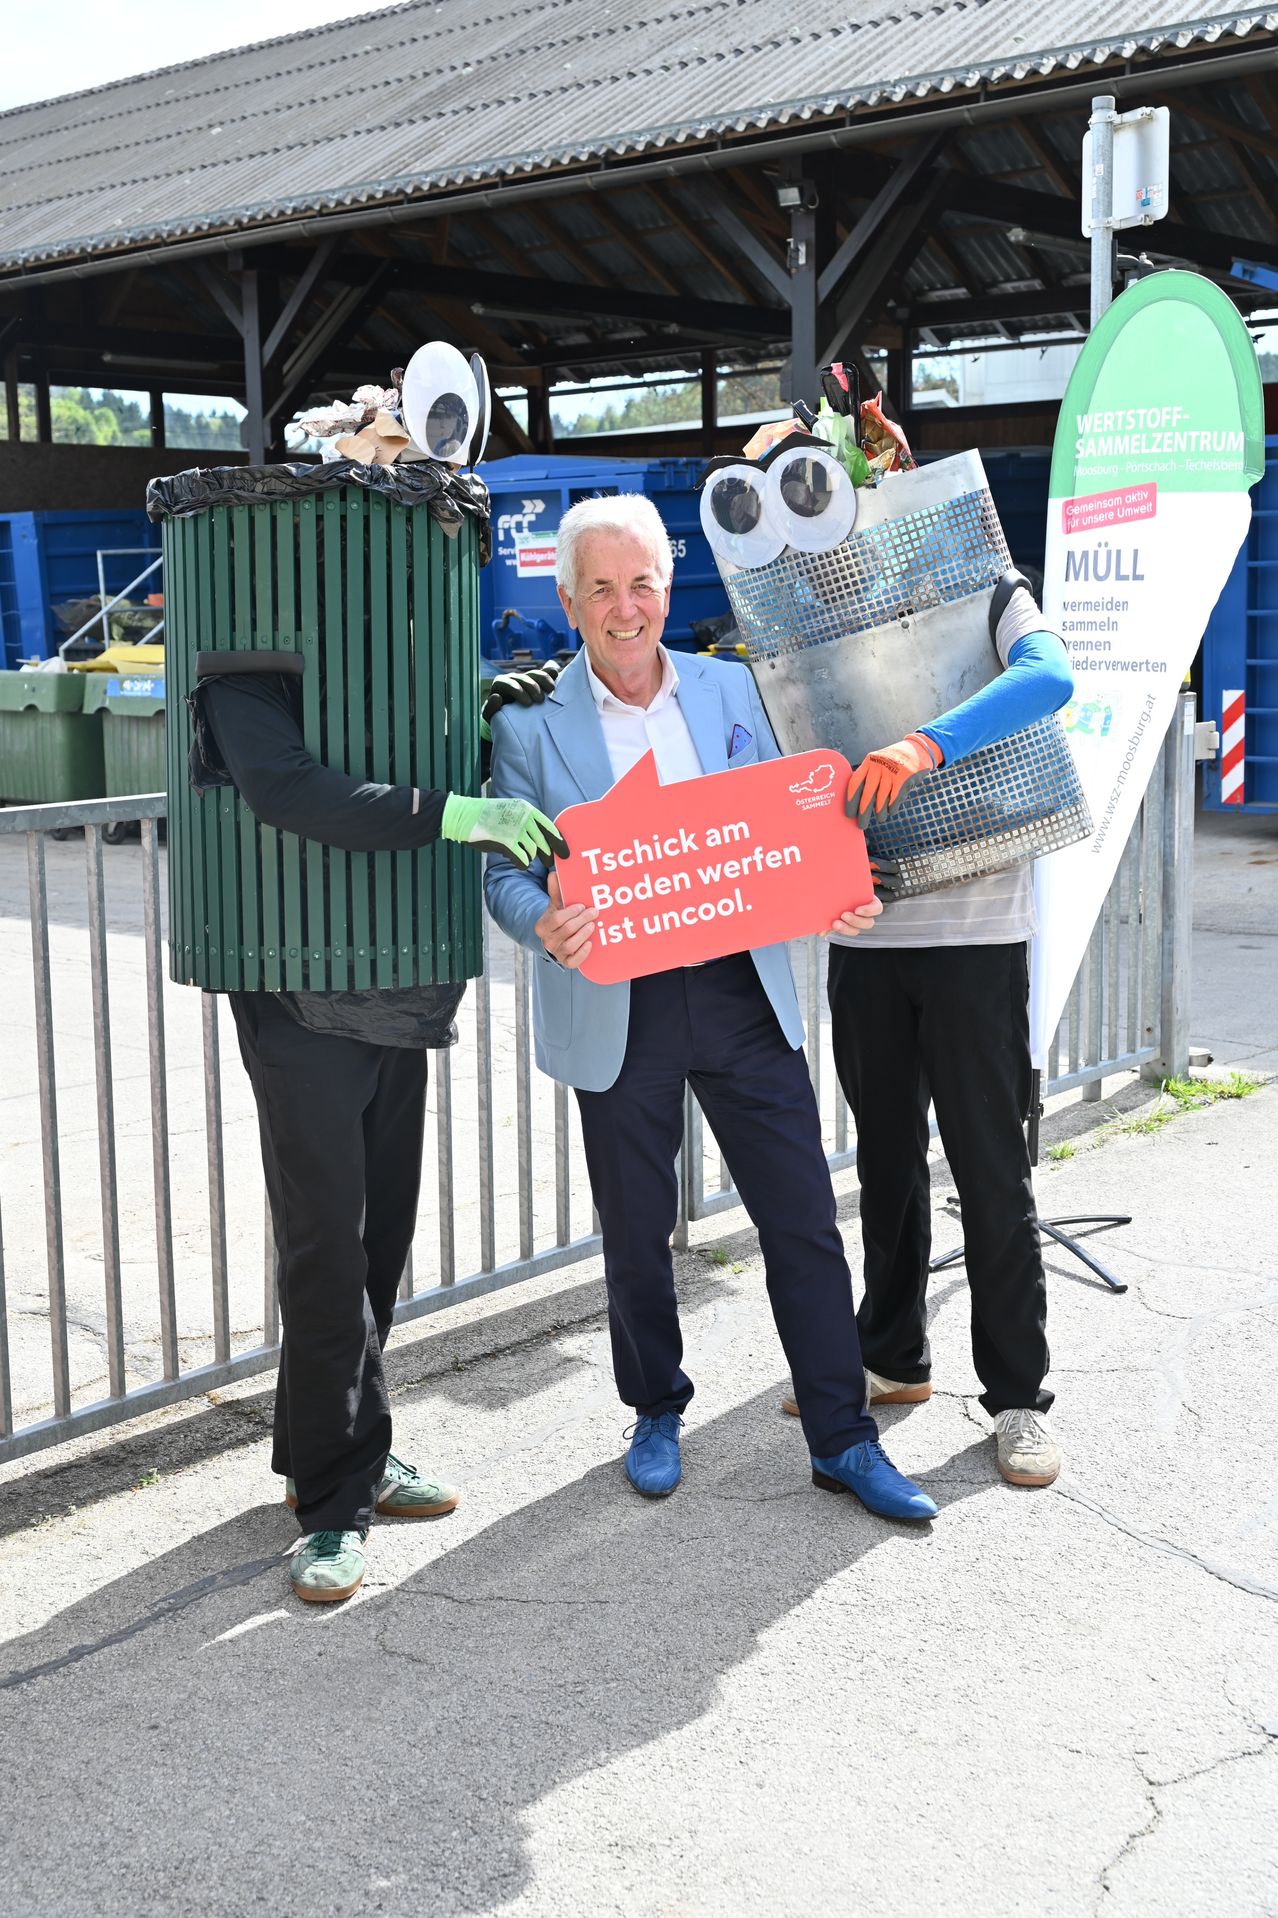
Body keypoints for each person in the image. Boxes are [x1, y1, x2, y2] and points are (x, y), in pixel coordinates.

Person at [483, 493, 937, 1523]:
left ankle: (843, 1437)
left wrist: (840, 887)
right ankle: (655, 1407)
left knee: (804, 1220)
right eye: (600, 586)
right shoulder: (527, 724)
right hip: (618, 998)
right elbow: (504, 871)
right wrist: (535, 923)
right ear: (567, 601)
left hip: (740, 988)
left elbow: (792, 823)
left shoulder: (736, 690)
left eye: (641, 581)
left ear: (665, 585)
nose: (626, 605)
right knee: (638, 1230)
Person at [197, 663, 565, 1603]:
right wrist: (455, 814)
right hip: (290, 986)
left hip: (395, 982)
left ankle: (335, 1445)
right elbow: (286, 787)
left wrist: (481, 710)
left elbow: (394, 752)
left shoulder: (391, 657)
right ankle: (332, 1505)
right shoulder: (241, 671)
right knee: (326, 1248)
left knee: (379, 1240)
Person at [781, 571, 1072, 1488]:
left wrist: (923, 746)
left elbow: (1049, 674)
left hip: (975, 934)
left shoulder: (982, 585)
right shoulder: (804, 611)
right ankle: (893, 1355)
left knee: (989, 1163)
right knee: (886, 1161)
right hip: (866, 932)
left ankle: (1018, 1396)